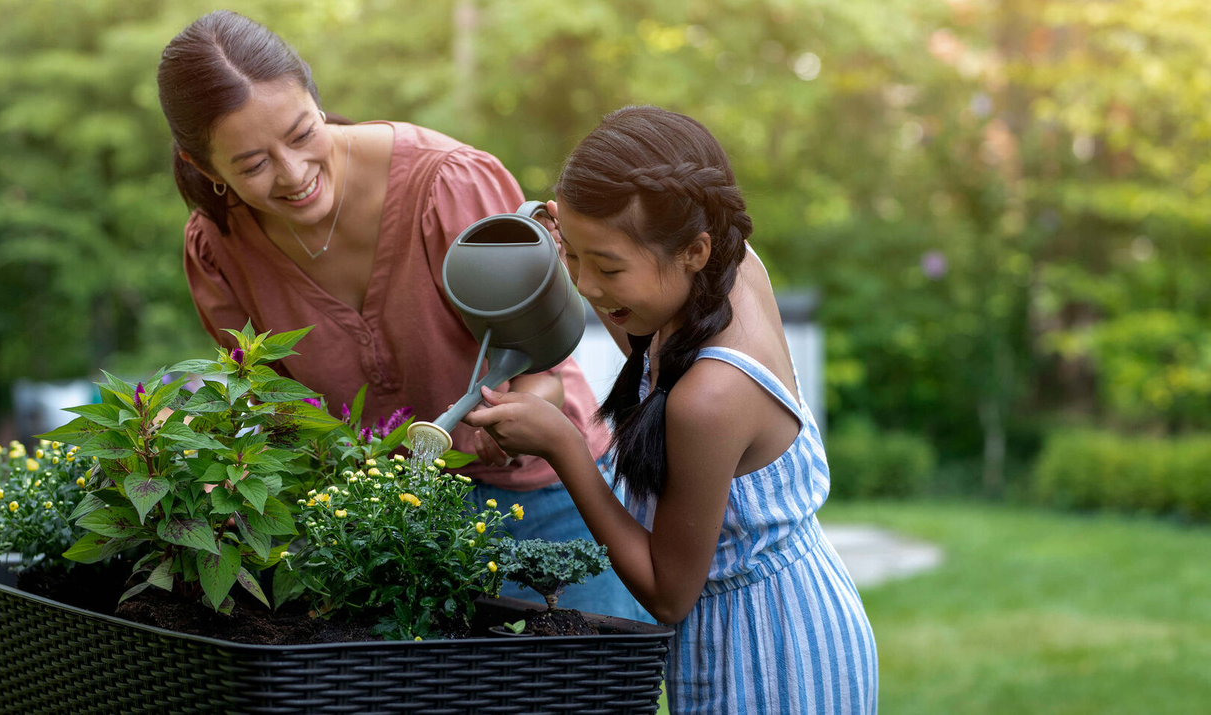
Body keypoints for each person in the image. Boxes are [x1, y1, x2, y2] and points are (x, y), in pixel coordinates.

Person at [156, 11, 648, 621]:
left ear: (316, 98)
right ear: (206, 169)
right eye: (253, 165)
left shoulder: (447, 183)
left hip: (542, 501)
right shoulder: (218, 247)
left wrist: (512, 418)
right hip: (384, 523)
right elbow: (265, 402)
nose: (293, 173)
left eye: (303, 132)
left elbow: (545, 371)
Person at [463, 106, 878, 714]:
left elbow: (666, 593)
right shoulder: (726, 271)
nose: (584, 285)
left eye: (605, 266)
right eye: (573, 257)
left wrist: (564, 446)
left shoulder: (711, 398)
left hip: (770, 654)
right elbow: (639, 305)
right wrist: (579, 245)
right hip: (774, 615)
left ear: (694, 250)